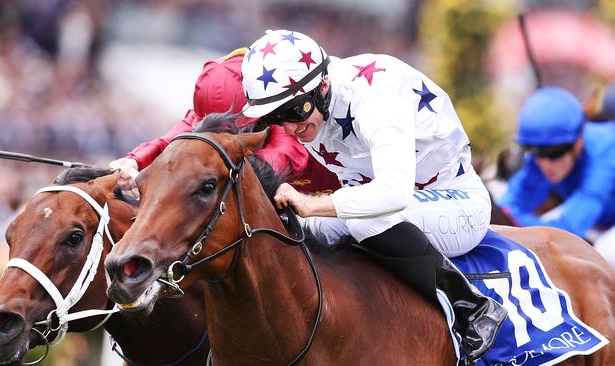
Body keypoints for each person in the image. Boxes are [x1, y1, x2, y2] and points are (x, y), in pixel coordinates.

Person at [240, 29, 507, 363]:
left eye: (294, 110)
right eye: (276, 117)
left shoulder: (373, 95)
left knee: (363, 219)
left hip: (458, 203)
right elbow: (357, 191)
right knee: (294, 228)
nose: (291, 128)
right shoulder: (316, 112)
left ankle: (471, 307)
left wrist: (313, 203)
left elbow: (391, 193)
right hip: (404, 210)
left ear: (322, 87)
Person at [109, 48, 339, 195]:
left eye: (235, 131)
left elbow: (273, 164)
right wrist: (133, 162)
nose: (227, 139)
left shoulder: (285, 109)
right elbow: (174, 140)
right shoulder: (218, 104)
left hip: (340, 201)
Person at [499, 87, 615, 267]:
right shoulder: (543, 155)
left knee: (607, 253)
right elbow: (505, 210)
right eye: (534, 151)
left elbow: (569, 230)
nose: (545, 163)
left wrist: (515, 220)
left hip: (601, 226)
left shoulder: (605, 153)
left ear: (578, 142)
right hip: (600, 222)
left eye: (555, 152)